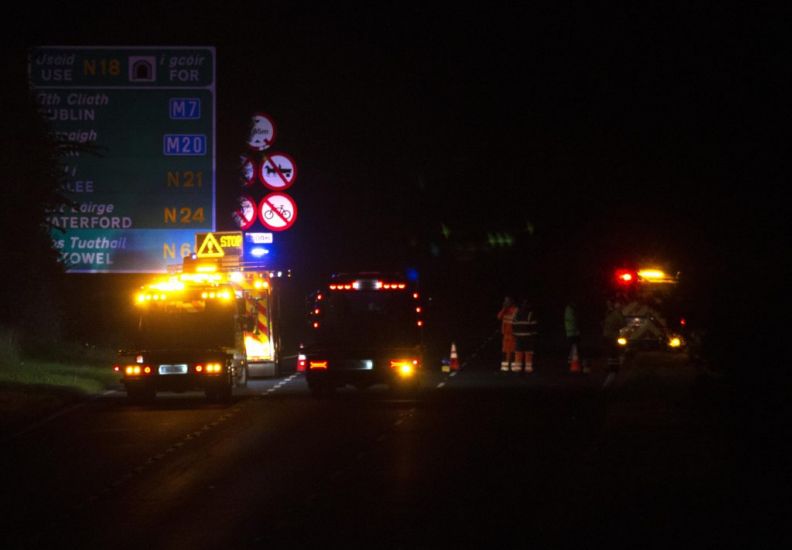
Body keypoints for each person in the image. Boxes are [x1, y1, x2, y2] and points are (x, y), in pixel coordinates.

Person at [512, 299, 538, 373]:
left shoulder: (516, 313)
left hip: (518, 337)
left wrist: (515, 334)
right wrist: (533, 335)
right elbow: (534, 326)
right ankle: (528, 368)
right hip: (528, 337)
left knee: (518, 352)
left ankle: (518, 368)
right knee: (528, 352)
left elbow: (513, 325)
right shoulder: (531, 314)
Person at [602, 299, 626, 372]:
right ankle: (613, 367)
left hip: (609, 336)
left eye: (609, 304)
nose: (608, 305)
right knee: (613, 353)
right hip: (611, 336)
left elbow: (622, 324)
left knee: (612, 353)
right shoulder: (613, 313)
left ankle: (612, 367)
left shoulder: (611, 313)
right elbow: (623, 324)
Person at [497, 296, 518, 371]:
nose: (506, 303)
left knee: (513, 350)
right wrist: (504, 308)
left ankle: (513, 368)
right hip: (506, 334)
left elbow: (517, 319)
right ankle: (505, 368)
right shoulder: (505, 310)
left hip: (513, 334)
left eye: (507, 301)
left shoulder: (515, 310)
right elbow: (499, 317)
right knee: (505, 350)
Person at [564, 301, 583, 372]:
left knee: (571, 347)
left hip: (570, 333)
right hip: (573, 332)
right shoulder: (571, 310)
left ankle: (570, 363)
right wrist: (577, 330)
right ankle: (573, 365)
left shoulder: (568, 310)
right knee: (574, 347)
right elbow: (574, 321)